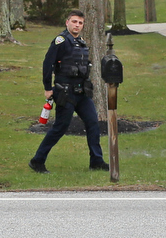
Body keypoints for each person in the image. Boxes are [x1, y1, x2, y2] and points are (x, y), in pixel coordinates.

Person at [29, 10, 109, 173]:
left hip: (82, 92)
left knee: (93, 122)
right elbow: (47, 64)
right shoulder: (61, 41)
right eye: (74, 22)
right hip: (65, 91)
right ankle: (37, 160)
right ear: (67, 23)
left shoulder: (81, 42)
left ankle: (96, 161)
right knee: (60, 126)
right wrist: (47, 88)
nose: (77, 25)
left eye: (80, 23)